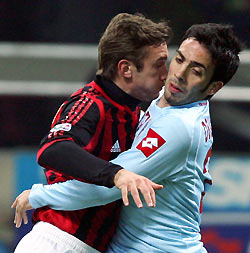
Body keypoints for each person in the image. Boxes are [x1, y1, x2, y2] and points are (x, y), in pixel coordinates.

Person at [12, 22, 243, 252]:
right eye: (180, 59)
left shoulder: (180, 127)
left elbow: (109, 187)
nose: (178, 74)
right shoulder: (168, 97)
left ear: (213, 87)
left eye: (196, 71)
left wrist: (39, 195)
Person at [12, 13, 172, 253]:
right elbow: (52, 149)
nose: (166, 73)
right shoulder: (90, 103)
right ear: (126, 69)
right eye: (158, 64)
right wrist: (117, 175)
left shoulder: (133, 111)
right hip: (57, 242)